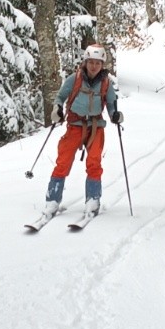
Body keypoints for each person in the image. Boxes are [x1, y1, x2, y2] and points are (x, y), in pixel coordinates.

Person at [44, 44, 123, 216]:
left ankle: (93, 200)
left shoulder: (106, 83)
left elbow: (111, 103)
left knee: (94, 162)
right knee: (63, 162)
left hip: (95, 127)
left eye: (98, 63)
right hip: (75, 125)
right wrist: (57, 109)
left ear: (102, 64)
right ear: (86, 62)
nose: (94, 66)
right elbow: (60, 97)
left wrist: (115, 115)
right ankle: (52, 200)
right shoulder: (75, 79)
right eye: (91, 62)